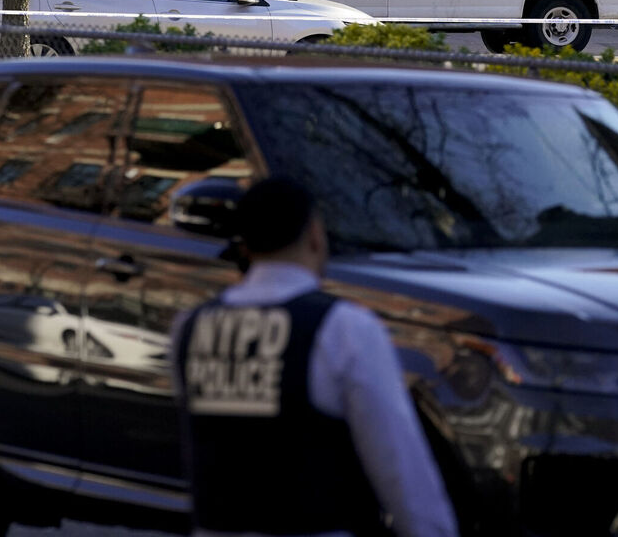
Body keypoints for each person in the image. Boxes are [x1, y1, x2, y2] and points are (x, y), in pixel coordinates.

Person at [172, 177, 459, 537]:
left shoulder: (190, 328)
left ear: (244, 245)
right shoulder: (343, 328)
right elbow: (400, 468)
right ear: (314, 235)